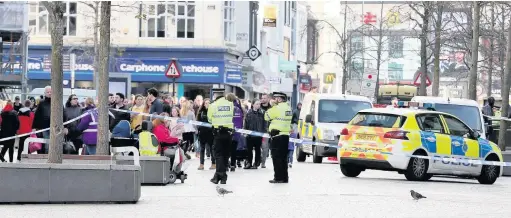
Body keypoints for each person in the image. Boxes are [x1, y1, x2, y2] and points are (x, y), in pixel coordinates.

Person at [207, 93, 236, 184]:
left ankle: (221, 175)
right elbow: (232, 117)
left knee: (218, 155)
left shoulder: (213, 105)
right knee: (225, 155)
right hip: (228, 133)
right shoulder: (230, 104)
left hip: (218, 132)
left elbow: (209, 119)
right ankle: (220, 176)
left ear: (215, 95)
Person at [265, 92, 292, 183]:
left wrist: (271, 106)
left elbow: (266, 117)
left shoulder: (276, 108)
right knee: (284, 158)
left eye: (275, 98)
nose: (273, 100)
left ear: (279, 99)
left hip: (277, 136)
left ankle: (278, 177)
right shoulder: (288, 108)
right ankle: (284, 177)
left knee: (276, 158)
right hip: (285, 136)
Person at [244, 100, 265, 169]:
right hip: (249, 134)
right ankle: (249, 163)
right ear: (253, 105)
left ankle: (256, 163)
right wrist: (245, 131)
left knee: (257, 150)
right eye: (257, 104)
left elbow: (264, 123)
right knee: (249, 150)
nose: (258, 105)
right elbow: (246, 123)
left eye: (259, 104)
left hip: (258, 134)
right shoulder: (248, 113)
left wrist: (264, 132)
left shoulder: (262, 113)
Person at [32, 86, 52, 154]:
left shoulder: (57, 103)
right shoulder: (42, 103)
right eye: (48, 92)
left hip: (54, 127)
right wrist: (34, 127)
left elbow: (63, 114)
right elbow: (37, 115)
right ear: (45, 93)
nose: (49, 93)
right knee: (46, 144)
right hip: (44, 127)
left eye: (50, 92)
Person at [197, 98, 215, 170]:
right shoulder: (201, 112)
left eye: (209, 103)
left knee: (212, 149)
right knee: (202, 149)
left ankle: (213, 164)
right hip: (202, 133)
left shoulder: (213, 112)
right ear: (203, 104)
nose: (207, 104)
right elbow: (197, 121)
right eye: (206, 103)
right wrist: (199, 129)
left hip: (210, 133)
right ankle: (201, 164)